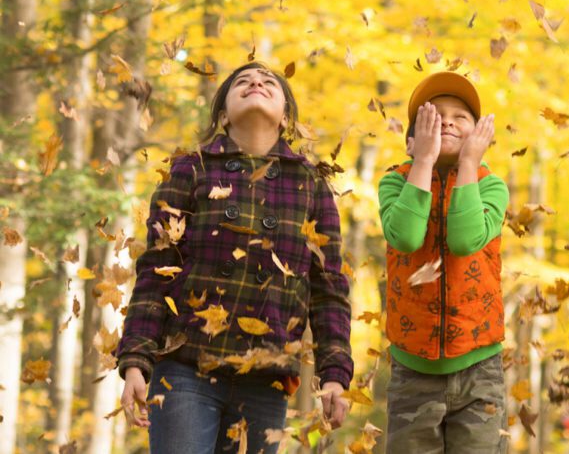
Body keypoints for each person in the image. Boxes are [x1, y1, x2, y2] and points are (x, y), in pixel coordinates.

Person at [116, 62, 353, 453]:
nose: (256, 82)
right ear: (223, 114)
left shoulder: (311, 184)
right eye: (242, 81)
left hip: (266, 378)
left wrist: (334, 375)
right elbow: (156, 272)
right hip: (186, 367)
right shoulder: (190, 169)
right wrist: (136, 359)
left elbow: (329, 290)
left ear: (286, 117)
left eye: (267, 82)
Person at [378, 71, 509, 453]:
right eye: (434, 116)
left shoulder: (490, 185)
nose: (448, 121)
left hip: (478, 366)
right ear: (409, 142)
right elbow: (405, 236)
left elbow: (465, 240)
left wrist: (468, 165)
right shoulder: (395, 182)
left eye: (460, 117)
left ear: (479, 138)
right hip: (412, 368)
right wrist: (423, 161)